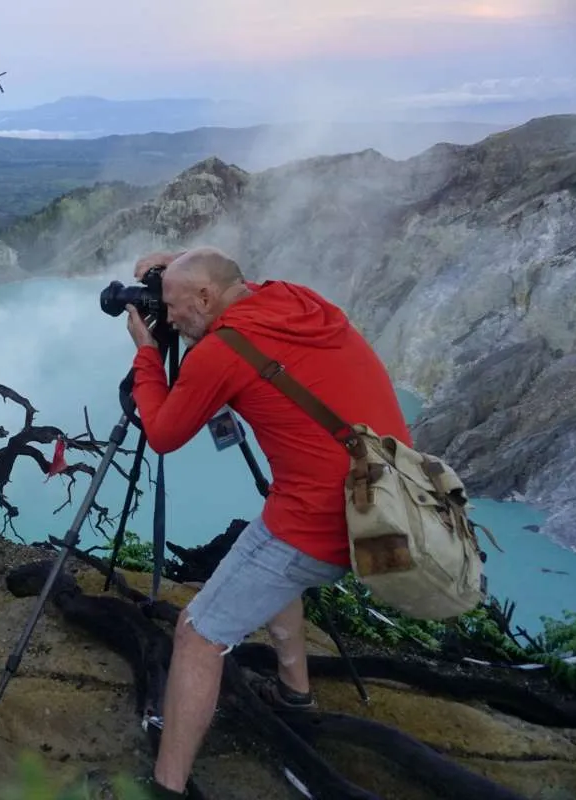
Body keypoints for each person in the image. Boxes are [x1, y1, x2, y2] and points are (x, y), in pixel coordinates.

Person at [123, 246, 411, 798]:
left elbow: (160, 434)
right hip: (376, 509)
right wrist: (176, 264)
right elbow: (224, 275)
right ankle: (294, 695)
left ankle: (167, 784)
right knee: (270, 551)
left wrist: (145, 354)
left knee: (199, 635)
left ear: (206, 296)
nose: (172, 319)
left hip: (317, 524)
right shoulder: (292, 297)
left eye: (176, 306)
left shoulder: (220, 353)